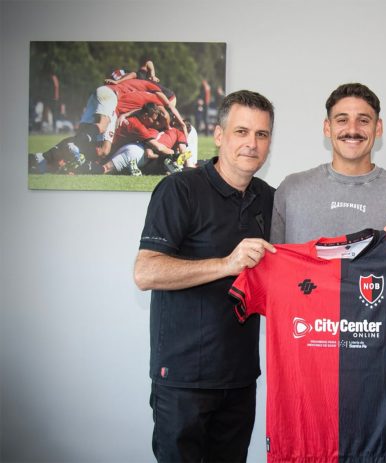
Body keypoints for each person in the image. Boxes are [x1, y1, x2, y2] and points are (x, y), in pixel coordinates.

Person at [133, 90, 277, 462]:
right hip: (183, 380)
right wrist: (227, 264)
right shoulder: (180, 189)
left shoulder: (269, 199)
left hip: (240, 378)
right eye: (242, 131)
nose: (251, 143)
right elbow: (145, 272)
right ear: (219, 135)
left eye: (261, 134)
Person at [271, 82, 386, 244]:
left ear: (378, 128)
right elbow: (272, 257)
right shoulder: (291, 190)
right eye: (342, 120)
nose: (352, 130)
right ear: (327, 127)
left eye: (363, 120)